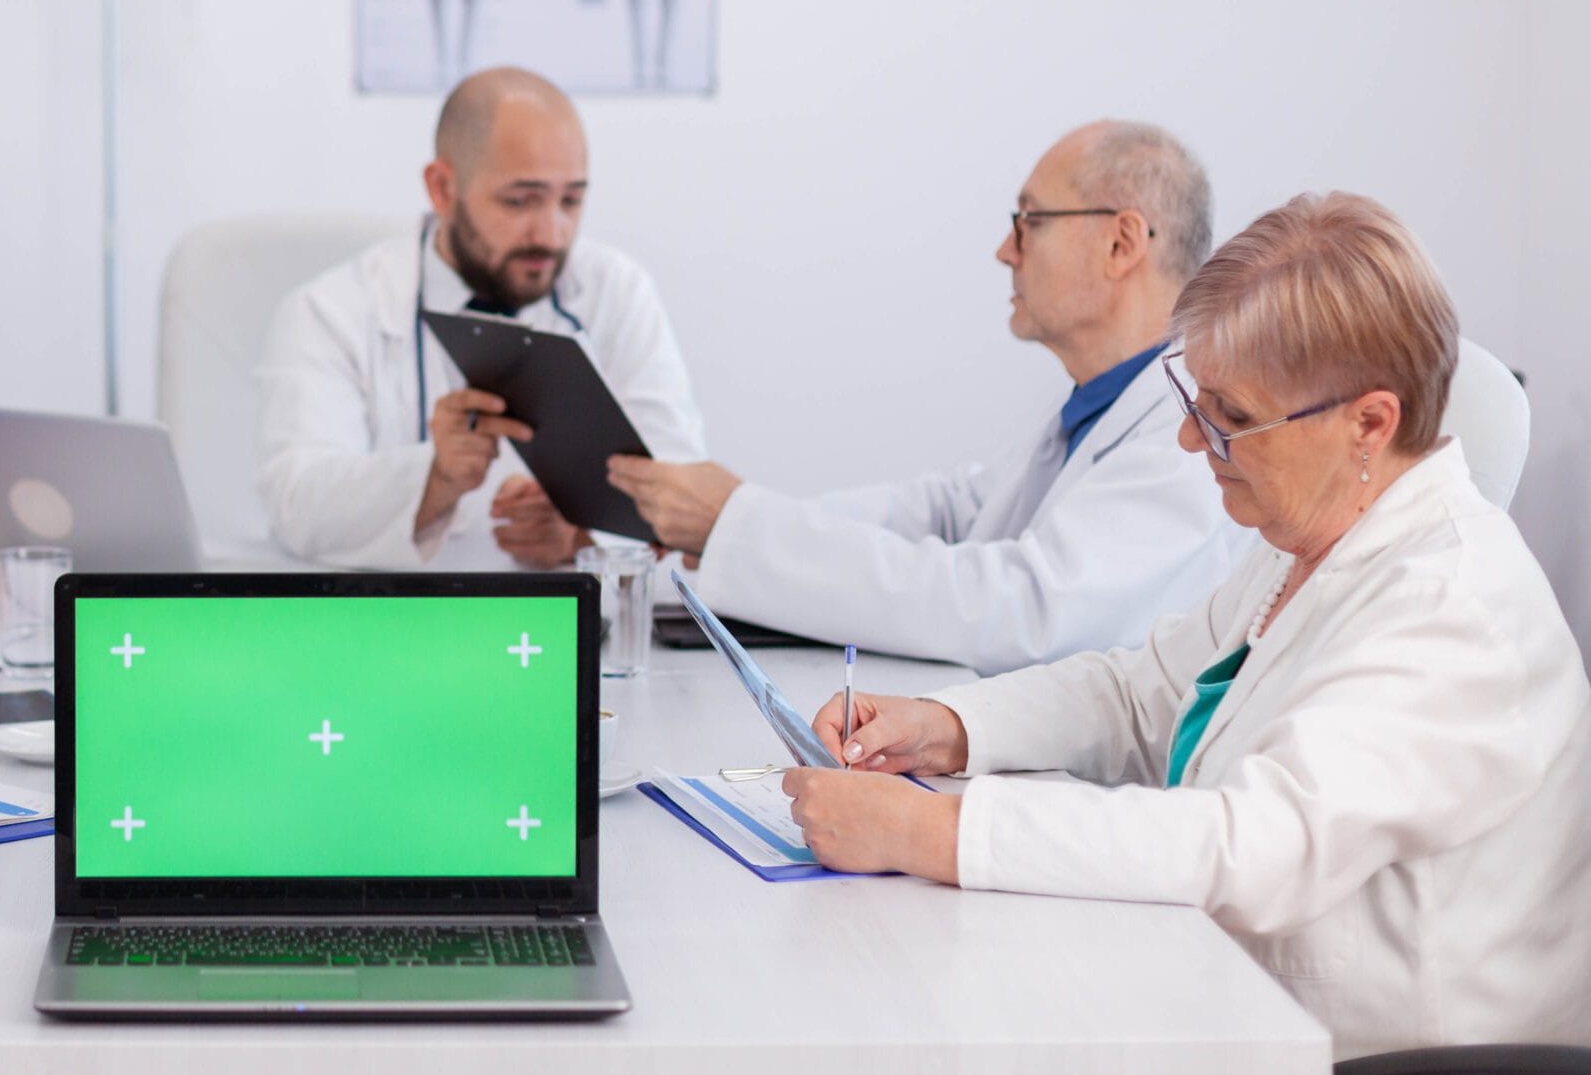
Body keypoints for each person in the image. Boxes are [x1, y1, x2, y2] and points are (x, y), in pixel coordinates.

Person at [782, 194, 1591, 1059]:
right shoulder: (1315, 537)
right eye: (1194, 397)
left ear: (1369, 422)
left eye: (1231, 417)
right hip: (1230, 997)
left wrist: (927, 831)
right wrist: (943, 726)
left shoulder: (1451, 610)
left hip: (1376, 1056)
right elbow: (1141, 694)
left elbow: (1248, 845)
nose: (1186, 438)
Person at [618, 120, 1241, 672]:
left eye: (1029, 223)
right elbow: (950, 513)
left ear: (1121, 243)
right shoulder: (1103, 407)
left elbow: (1019, 610)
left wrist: (741, 525)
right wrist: (727, 515)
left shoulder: (1191, 437)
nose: (1005, 251)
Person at [257, 67, 707, 569]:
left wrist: (580, 536)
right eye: (520, 200)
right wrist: (434, 477)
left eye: (571, 200)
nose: (552, 234)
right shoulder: (331, 311)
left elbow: (680, 492)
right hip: (394, 628)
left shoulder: (617, 292)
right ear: (443, 188)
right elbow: (294, 505)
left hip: (559, 631)